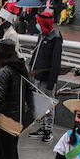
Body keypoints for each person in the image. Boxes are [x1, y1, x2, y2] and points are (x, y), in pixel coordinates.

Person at [29, 11, 64, 141]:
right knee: (40, 103)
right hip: (37, 76)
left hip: (47, 78)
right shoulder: (42, 36)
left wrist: (52, 81)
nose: (37, 24)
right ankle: (43, 127)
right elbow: (36, 54)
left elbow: (56, 61)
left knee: (48, 104)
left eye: (39, 22)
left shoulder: (55, 38)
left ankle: (48, 130)